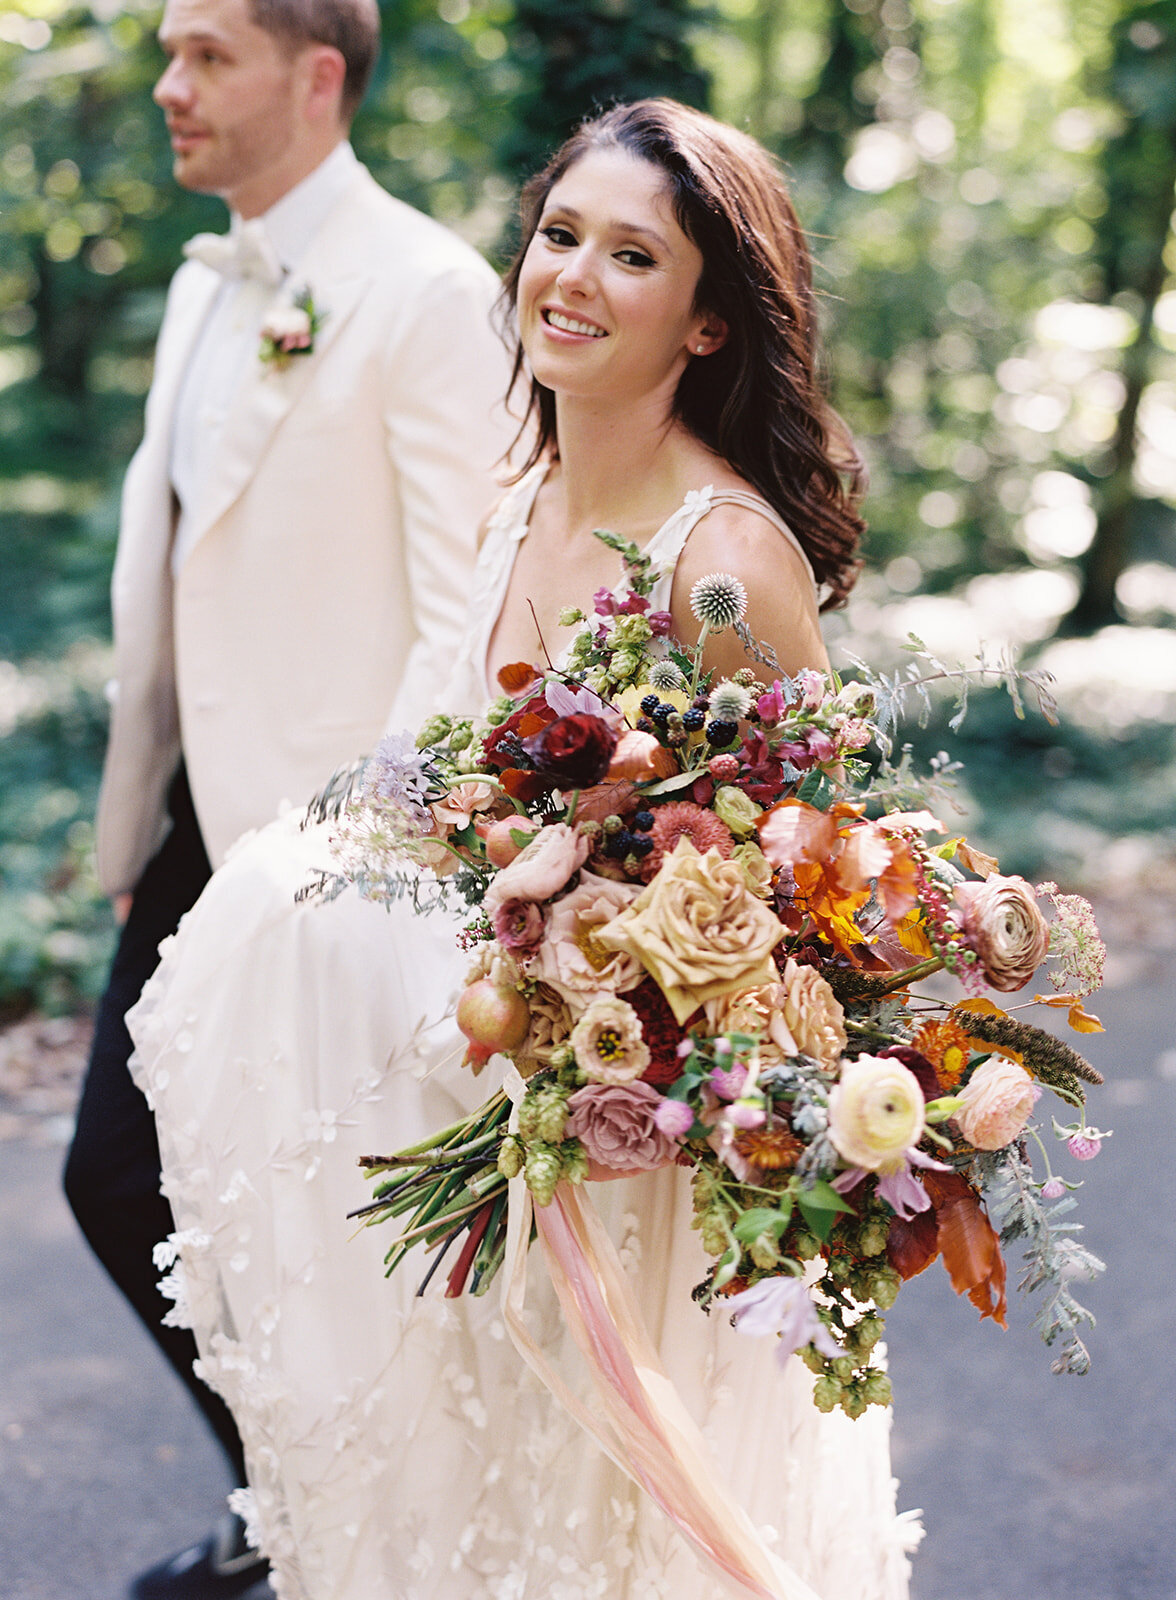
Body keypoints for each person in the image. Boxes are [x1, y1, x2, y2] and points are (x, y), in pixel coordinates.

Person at [127, 99, 922, 1599]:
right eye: (560, 235)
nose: (571, 276)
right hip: (478, 1088)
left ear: (705, 324)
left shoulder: (720, 562)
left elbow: (814, 887)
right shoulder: (521, 493)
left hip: (624, 1137)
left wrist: (597, 927)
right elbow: (454, 772)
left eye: (633, 256)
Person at [62, 0, 513, 1594]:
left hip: (343, 864)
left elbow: (471, 611)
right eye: (170, 55)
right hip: (201, 837)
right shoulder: (210, 282)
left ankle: (366, 1542)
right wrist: (143, 835)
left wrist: (358, 864)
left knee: (330, 1235)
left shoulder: (426, 293)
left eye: (206, 57)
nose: (170, 89)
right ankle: (306, 1507)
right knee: (120, 1177)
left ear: (317, 77)